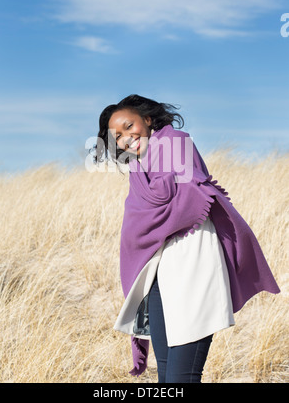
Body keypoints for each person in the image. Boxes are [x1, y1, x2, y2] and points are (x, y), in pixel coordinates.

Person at [92, 94, 280, 383]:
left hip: (194, 257)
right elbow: (139, 216)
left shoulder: (176, 143)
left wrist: (150, 218)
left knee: (183, 376)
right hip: (158, 268)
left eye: (129, 126)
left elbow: (186, 194)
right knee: (166, 375)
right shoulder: (136, 169)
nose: (126, 138)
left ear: (148, 120)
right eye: (117, 136)